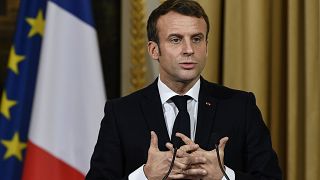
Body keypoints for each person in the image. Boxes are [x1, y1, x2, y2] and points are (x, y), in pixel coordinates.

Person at [86, 0, 282, 179]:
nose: (189, 49)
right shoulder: (121, 112)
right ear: (154, 50)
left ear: (206, 47)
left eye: (196, 39)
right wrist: (145, 176)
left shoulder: (240, 106)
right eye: (175, 39)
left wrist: (223, 176)